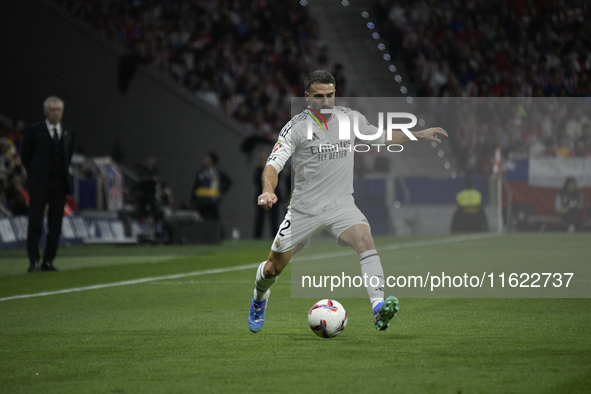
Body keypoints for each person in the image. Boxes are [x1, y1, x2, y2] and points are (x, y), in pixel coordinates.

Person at [248, 70, 448, 333]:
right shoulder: (296, 128)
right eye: (319, 96)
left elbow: (383, 136)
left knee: (366, 241)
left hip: (341, 205)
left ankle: (378, 309)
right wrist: (268, 190)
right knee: (273, 269)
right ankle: (259, 298)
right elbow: (272, 166)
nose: (326, 101)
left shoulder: (350, 118)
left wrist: (419, 134)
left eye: (330, 95)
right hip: (304, 210)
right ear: (307, 97)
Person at [21, 96, 75, 272]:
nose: (55, 113)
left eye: (58, 109)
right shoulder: (35, 130)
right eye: (52, 109)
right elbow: (25, 156)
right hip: (40, 184)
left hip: (59, 185)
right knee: (35, 221)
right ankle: (34, 261)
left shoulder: (68, 131)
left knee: (56, 225)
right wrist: (36, 174)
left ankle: (49, 261)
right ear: (45, 112)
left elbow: (68, 156)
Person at [191, 151, 232, 221]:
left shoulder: (217, 172)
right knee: (201, 219)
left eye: (207, 158)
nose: (204, 160)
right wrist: (192, 200)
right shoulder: (201, 173)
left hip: (212, 201)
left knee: (215, 219)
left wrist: (221, 192)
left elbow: (228, 182)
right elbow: (195, 186)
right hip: (201, 201)